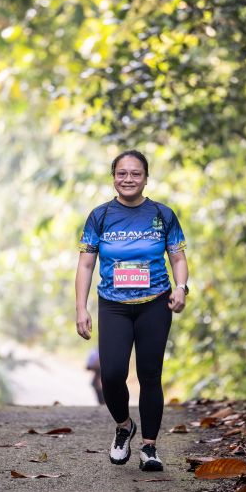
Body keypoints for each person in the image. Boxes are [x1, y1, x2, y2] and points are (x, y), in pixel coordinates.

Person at [75, 150, 189, 472]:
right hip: (113, 306)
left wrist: (181, 288)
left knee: (150, 375)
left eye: (135, 173)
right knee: (111, 375)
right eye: (122, 173)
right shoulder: (100, 216)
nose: (128, 179)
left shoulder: (163, 214)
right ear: (113, 177)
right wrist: (81, 307)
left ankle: (149, 447)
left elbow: (178, 258)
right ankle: (124, 426)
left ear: (146, 178)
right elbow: (86, 264)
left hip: (155, 303)